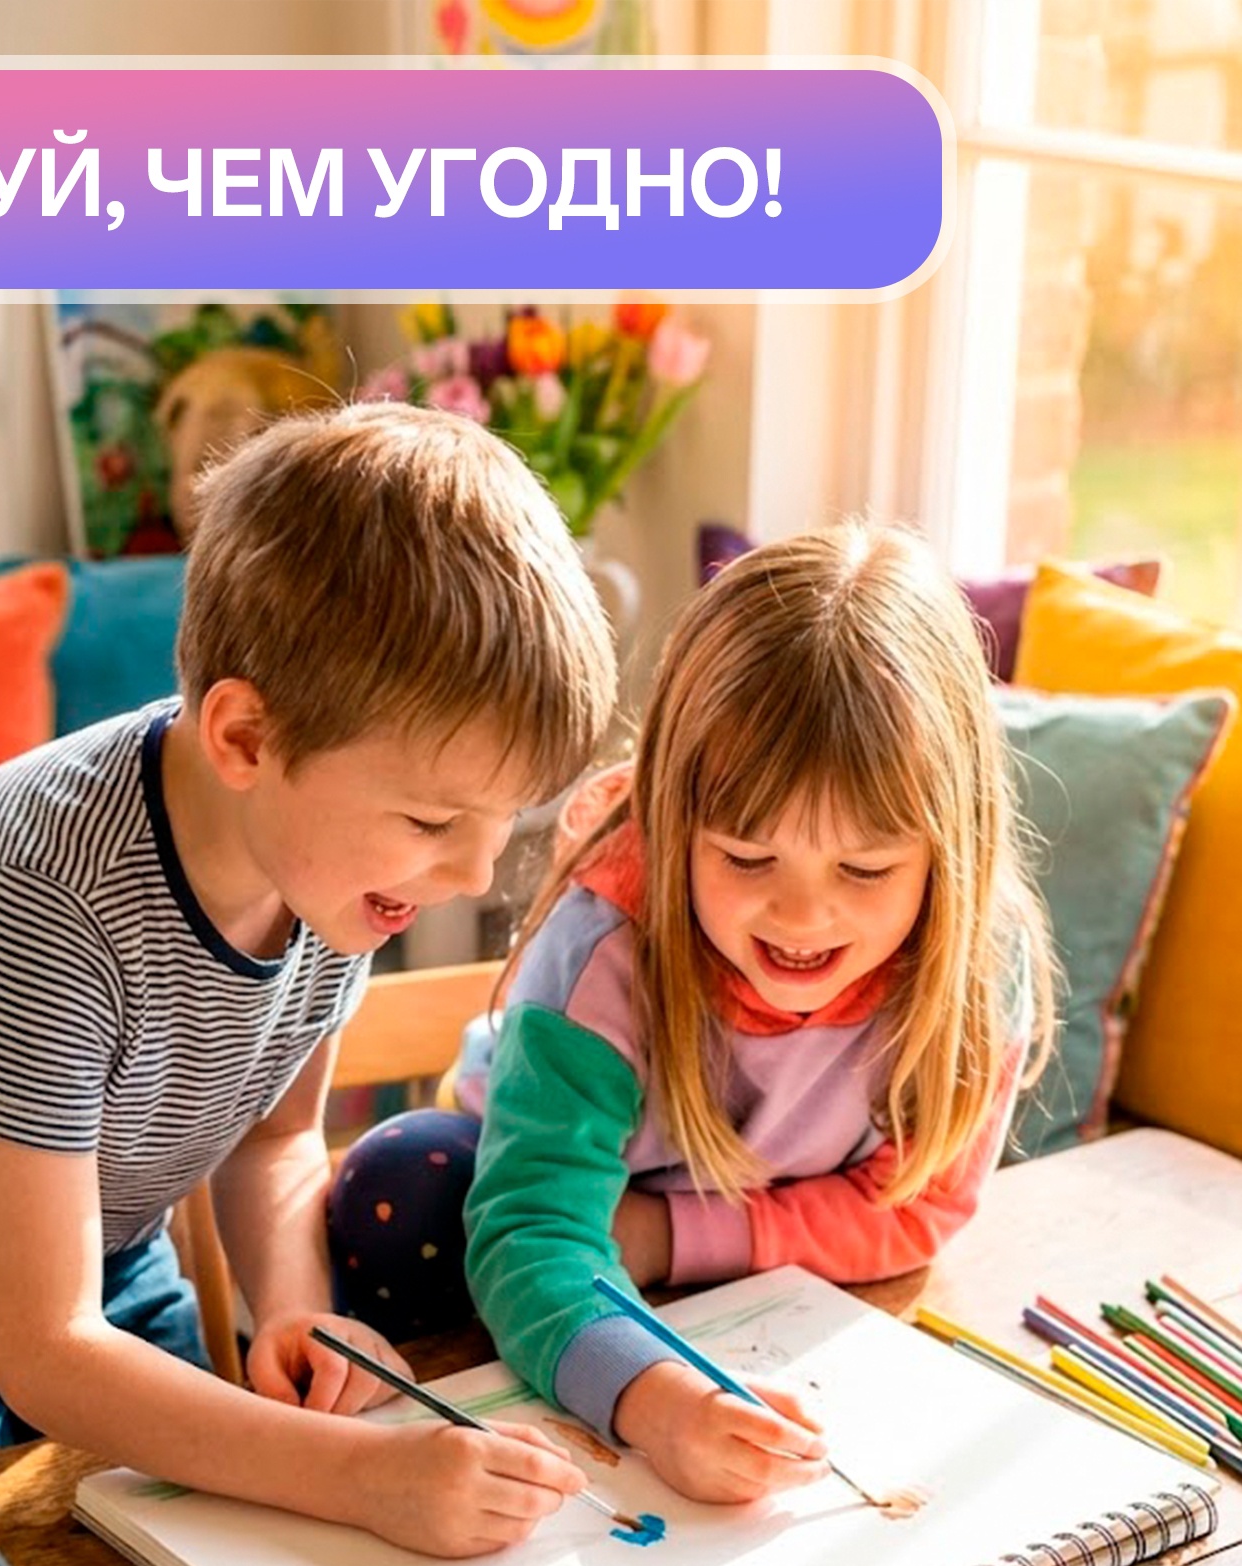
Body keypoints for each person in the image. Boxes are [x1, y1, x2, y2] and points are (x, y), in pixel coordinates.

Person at [0, 403, 616, 1561]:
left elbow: (275, 1139)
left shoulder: (337, 866)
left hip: (95, 1233)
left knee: (173, 1544)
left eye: (498, 824)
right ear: (243, 740)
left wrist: (291, 1305)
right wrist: (363, 1475)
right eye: (433, 821)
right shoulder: (41, 903)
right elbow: (48, 1352)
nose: (474, 873)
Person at [331, 522, 1055, 1505]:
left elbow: (919, 1209)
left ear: (950, 851)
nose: (801, 916)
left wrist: (665, 1237)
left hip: (677, 1236)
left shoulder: (979, 958)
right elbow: (536, 1233)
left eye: (865, 868)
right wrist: (659, 1404)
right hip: (547, 1197)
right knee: (404, 1187)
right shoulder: (607, 954)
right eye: (746, 859)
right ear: (673, 824)